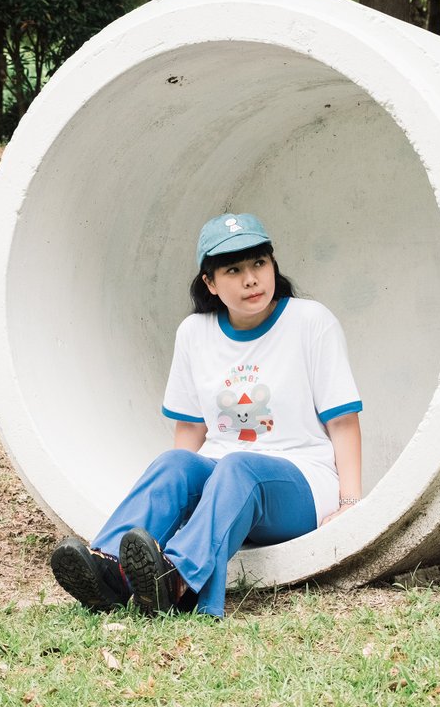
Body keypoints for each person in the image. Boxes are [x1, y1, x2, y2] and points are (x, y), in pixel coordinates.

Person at [50, 213, 363, 617]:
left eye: (259, 263)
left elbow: (343, 421)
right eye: (233, 270)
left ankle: (178, 578)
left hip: (302, 483)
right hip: (223, 480)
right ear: (210, 283)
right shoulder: (194, 333)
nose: (251, 279)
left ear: (273, 265)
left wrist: (350, 504)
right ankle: (110, 571)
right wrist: (188, 512)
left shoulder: (310, 321)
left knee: (237, 465)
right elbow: (189, 430)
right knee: (174, 462)